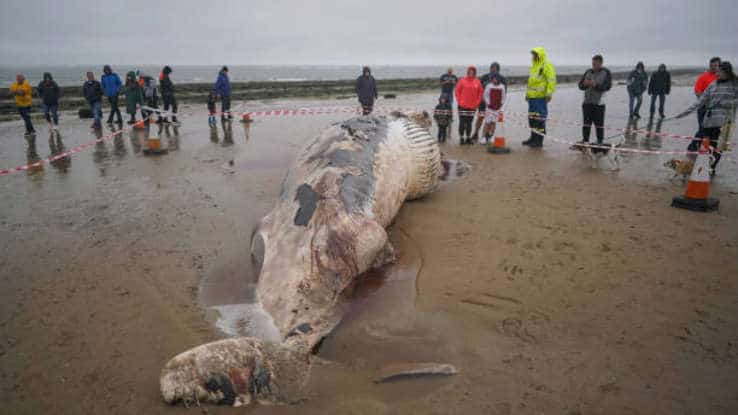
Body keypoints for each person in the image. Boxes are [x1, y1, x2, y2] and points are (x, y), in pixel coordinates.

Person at [676, 61, 738, 174]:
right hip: (709, 121)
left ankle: (711, 168)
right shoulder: (713, 85)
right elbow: (700, 101)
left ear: (726, 72)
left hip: (724, 123)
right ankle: (697, 167)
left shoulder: (735, 84)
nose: (717, 73)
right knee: (702, 144)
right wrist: (684, 113)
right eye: (717, 71)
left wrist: (728, 103)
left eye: (719, 71)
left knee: (717, 147)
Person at [523, 47, 557, 148]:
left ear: (539, 54)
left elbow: (551, 80)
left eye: (535, 54)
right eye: (533, 54)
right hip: (532, 98)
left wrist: (549, 93)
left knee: (540, 119)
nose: (533, 56)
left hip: (541, 98)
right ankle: (532, 138)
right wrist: (527, 94)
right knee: (532, 119)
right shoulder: (534, 66)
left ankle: (539, 141)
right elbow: (531, 83)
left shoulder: (546, 65)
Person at [578, 54, 612, 144]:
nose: (594, 66)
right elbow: (580, 85)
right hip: (587, 102)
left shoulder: (606, 72)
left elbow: (607, 86)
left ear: (601, 63)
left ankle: (600, 141)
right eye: (593, 64)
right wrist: (584, 84)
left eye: (596, 64)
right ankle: (585, 140)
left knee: (599, 125)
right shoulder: (588, 71)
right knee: (586, 124)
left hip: (599, 103)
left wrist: (595, 85)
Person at [473, 62, 507, 142]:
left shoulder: (502, 79)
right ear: (490, 68)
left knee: (491, 120)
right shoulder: (484, 77)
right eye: (492, 68)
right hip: (482, 102)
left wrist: (501, 104)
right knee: (480, 118)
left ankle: (488, 136)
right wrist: (478, 99)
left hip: (495, 104)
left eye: (495, 69)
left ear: (498, 70)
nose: (493, 70)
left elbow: (504, 93)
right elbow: (478, 88)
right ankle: (475, 133)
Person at [692, 57, 721, 141]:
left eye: (716, 66)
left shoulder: (722, 78)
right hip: (703, 108)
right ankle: (692, 148)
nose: (714, 68)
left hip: (717, 110)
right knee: (702, 129)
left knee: (715, 131)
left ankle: (710, 149)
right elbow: (697, 91)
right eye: (712, 66)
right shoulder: (703, 77)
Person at [454, 66, 483, 145]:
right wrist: (459, 101)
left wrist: (477, 103)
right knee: (462, 122)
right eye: (470, 71)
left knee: (469, 123)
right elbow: (457, 91)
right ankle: (461, 138)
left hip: (472, 106)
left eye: (472, 72)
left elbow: (480, 93)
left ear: (474, 72)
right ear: (467, 72)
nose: (471, 73)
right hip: (462, 106)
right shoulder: (462, 80)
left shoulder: (477, 82)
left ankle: (468, 138)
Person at [481, 75, 506, 144]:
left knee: (493, 123)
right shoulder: (489, 86)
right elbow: (485, 95)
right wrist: (488, 103)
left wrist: (501, 104)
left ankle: (491, 137)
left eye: (496, 79)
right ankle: (483, 137)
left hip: (497, 108)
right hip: (489, 108)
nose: (495, 80)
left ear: (498, 79)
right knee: (487, 122)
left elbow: (503, 96)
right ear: (492, 80)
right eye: (493, 79)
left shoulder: (502, 86)